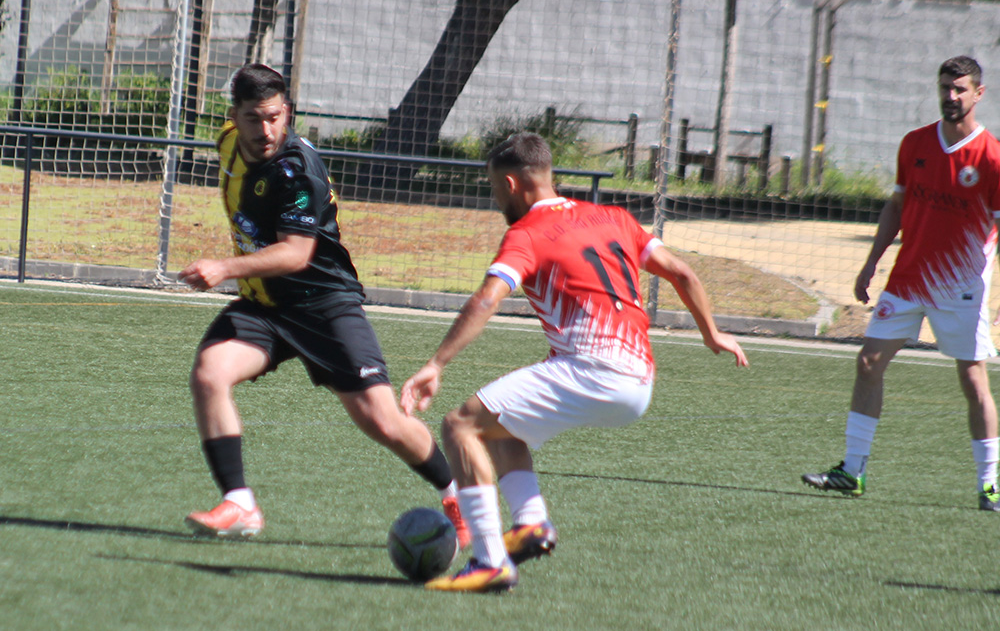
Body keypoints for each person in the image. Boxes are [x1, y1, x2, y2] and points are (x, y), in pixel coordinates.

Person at [399, 132, 749, 592]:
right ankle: (531, 523)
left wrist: (436, 363)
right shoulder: (615, 217)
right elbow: (681, 272)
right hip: (640, 380)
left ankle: (489, 562)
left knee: (459, 426)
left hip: (592, 370)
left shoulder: (526, 233)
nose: (496, 198)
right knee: (502, 425)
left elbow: (487, 300)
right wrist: (711, 333)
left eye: (495, 188)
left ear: (511, 184)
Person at [178, 63, 467, 544]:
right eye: (253, 118)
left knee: (382, 421)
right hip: (266, 305)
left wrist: (224, 267)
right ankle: (240, 504)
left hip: (323, 304)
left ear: (287, 112)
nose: (265, 130)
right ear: (235, 116)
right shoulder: (228, 142)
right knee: (210, 374)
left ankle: (458, 495)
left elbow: (296, 254)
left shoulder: (297, 170)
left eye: (274, 117)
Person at [802, 56, 1000, 511]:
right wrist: (871, 262)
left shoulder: (992, 157)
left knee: (973, 380)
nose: (951, 96)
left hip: (962, 288)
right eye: (945, 87)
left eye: (960, 88)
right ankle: (852, 471)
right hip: (907, 279)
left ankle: (989, 485)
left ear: (978, 93)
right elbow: (896, 206)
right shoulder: (914, 143)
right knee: (868, 363)